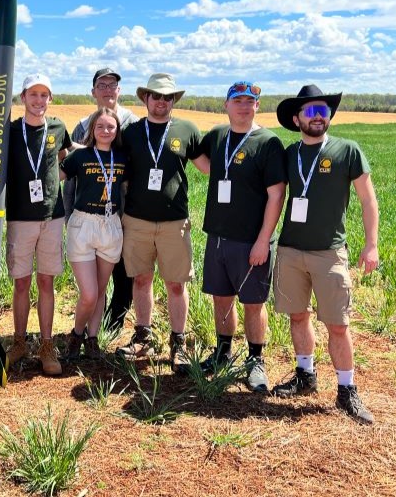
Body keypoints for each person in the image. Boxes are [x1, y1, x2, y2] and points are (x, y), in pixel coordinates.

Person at [271, 84, 380, 425]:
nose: (318, 117)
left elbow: (367, 200)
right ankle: (306, 374)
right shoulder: (289, 154)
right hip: (290, 250)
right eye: (310, 111)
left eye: (323, 110)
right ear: (296, 118)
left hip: (330, 253)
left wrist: (371, 243)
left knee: (337, 324)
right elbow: (275, 197)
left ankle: (347, 390)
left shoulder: (348, 150)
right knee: (298, 316)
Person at [0, 73, 71, 375]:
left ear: (51, 99)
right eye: (33, 94)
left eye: (44, 95)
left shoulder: (57, 128)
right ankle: (19, 341)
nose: (39, 101)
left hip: (52, 217)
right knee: (21, 282)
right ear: (22, 98)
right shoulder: (10, 131)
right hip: (19, 218)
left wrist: (54, 183)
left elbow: (63, 159)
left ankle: (46, 344)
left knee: (47, 281)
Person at [115, 73, 209, 374]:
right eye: (156, 96)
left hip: (174, 222)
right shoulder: (130, 132)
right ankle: (144, 336)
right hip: (137, 220)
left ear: (173, 100)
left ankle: (178, 343)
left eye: (167, 97)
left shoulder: (186, 129)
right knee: (141, 280)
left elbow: (207, 167)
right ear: (145, 98)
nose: (161, 101)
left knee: (176, 284)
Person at [197, 81, 286, 392]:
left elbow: (277, 196)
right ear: (226, 104)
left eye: (251, 101)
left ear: (257, 106)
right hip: (218, 237)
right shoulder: (218, 135)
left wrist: (264, 240)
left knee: (253, 302)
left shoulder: (267, 142)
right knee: (221, 298)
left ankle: (255, 360)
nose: (244, 106)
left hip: (251, 241)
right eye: (238, 101)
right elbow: (201, 160)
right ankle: (222, 352)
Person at [63, 68, 138, 333]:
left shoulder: (132, 124)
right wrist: (69, 212)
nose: (107, 89)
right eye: (101, 85)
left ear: (119, 90)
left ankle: (114, 321)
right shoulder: (83, 126)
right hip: (87, 214)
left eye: (113, 84)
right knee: (92, 281)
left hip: (123, 212)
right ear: (93, 91)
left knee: (123, 270)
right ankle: (89, 329)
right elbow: (71, 175)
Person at [60, 108, 127, 361]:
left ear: (117, 131)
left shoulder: (122, 158)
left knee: (100, 291)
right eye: (100, 127)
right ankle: (76, 335)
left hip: (111, 224)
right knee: (88, 293)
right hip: (83, 225)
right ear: (92, 130)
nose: (106, 131)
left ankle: (93, 339)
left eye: (111, 127)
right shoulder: (81, 156)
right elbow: (55, 176)